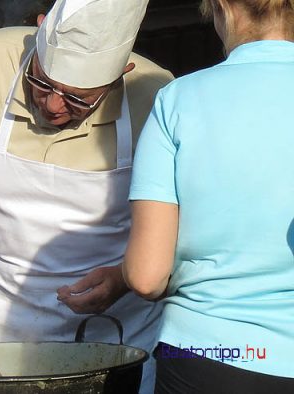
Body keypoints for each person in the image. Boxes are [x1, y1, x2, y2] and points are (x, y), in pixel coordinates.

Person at [0, 0, 173, 392]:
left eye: (78, 98)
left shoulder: (158, 95)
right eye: (41, 82)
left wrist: (125, 279)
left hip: (117, 337)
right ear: (39, 28)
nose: (53, 105)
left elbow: (186, 221)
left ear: (120, 76)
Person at [122, 0, 294, 392]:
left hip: (203, 355)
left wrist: (122, 275)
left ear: (222, 7)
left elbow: (147, 276)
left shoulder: (178, 99)